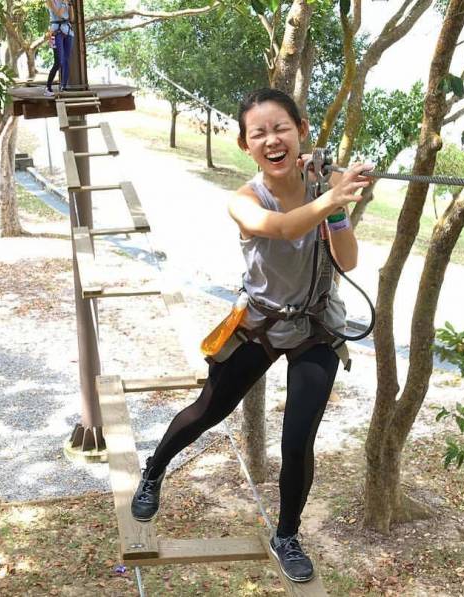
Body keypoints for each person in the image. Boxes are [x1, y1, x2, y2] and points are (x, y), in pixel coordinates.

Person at [130, 88, 373, 583]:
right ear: (246, 146)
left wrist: (338, 205)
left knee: (298, 439)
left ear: (301, 131)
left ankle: (286, 535)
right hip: (261, 322)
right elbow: (281, 228)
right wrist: (332, 196)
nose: (271, 139)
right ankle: (155, 469)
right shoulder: (243, 200)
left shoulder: (321, 184)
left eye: (281, 127)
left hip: (317, 326)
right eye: (258, 133)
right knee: (208, 410)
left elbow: (346, 261)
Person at [44, 0, 74, 95]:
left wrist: (70, 4)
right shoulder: (50, 1)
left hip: (68, 31)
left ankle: (63, 87)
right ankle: (48, 88)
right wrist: (65, 3)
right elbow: (59, 14)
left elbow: (72, 18)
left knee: (66, 60)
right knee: (58, 61)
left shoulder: (65, 1)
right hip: (56, 31)